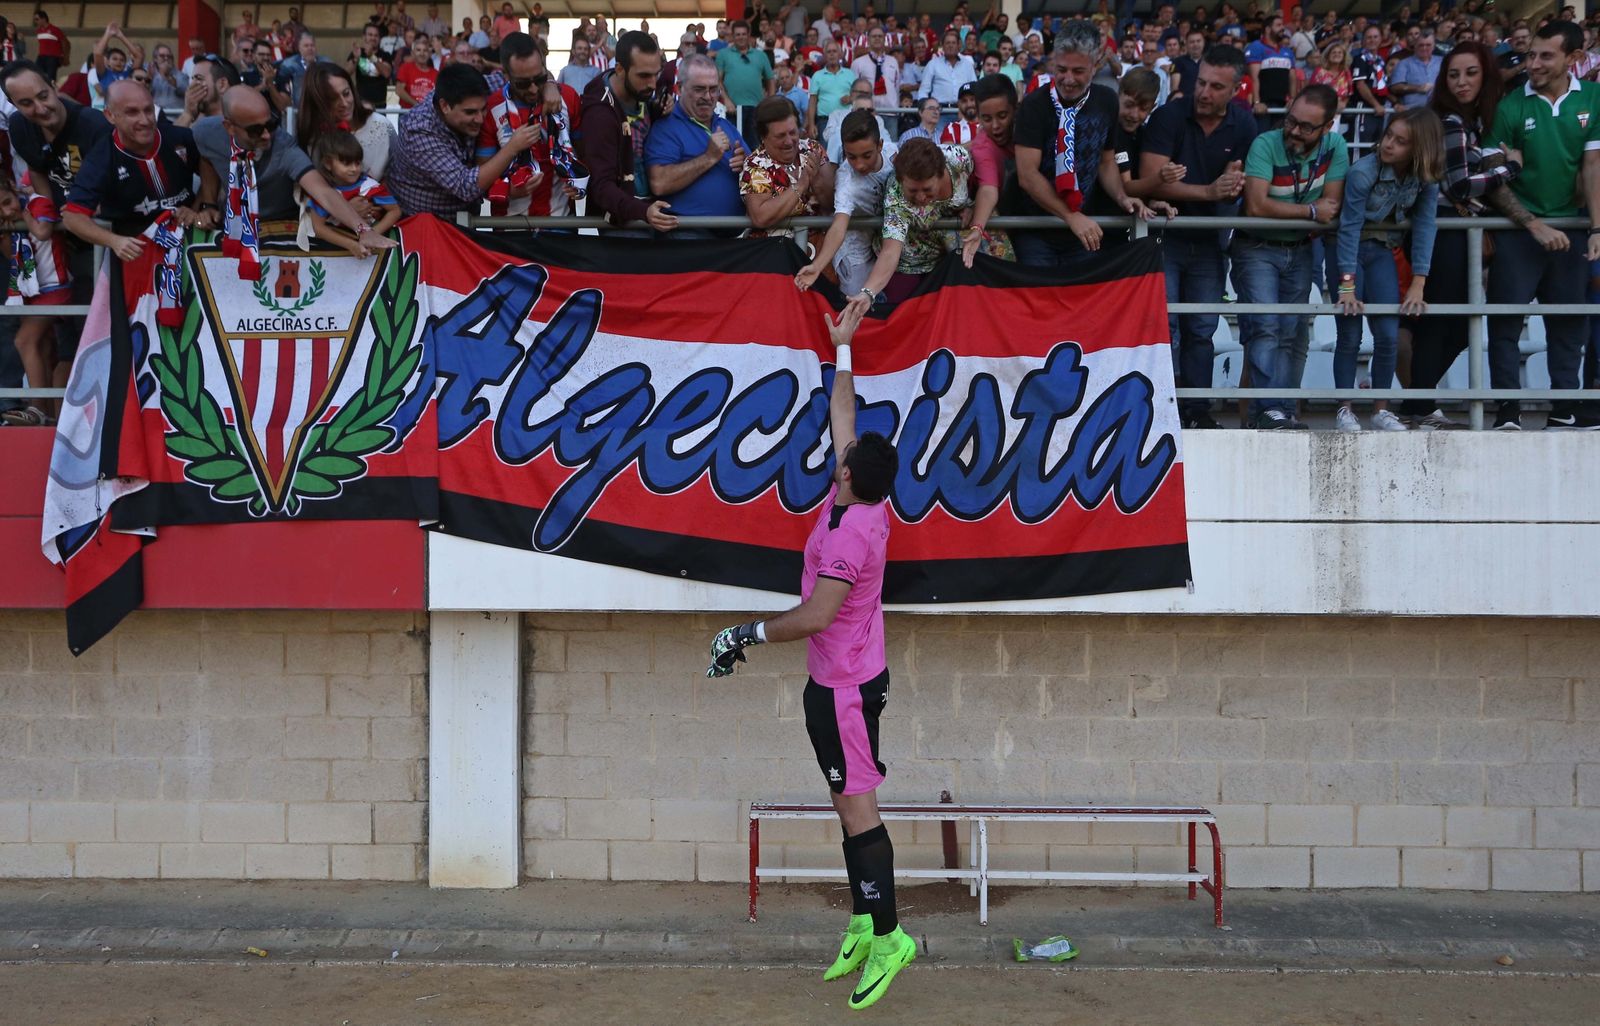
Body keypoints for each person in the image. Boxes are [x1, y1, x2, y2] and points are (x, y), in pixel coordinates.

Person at [705, 300, 914, 1013]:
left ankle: (891, 937)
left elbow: (818, 615)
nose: (839, 450)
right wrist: (845, 349)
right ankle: (863, 918)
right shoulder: (855, 497)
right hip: (833, 682)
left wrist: (747, 635)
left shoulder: (853, 535)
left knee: (860, 811)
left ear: (852, 476)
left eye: (844, 458)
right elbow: (843, 415)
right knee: (842, 800)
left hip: (848, 688)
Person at [1399, 42, 1540, 429]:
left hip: (1451, 232)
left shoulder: (1466, 120)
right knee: (1445, 322)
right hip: (1444, 230)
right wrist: (1509, 168)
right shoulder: (1450, 121)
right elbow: (1461, 186)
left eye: (1471, 73)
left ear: (1486, 76)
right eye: (1454, 74)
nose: (1462, 82)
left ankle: (1417, 401)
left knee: (1456, 323)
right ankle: (1419, 405)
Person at [1483, 21, 1600, 429]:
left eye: (1545, 55)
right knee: (1505, 323)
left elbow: (1593, 166)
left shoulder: (1595, 98)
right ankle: (1507, 411)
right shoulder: (1511, 103)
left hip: (1573, 228)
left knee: (1569, 321)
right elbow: (1493, 177)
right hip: (1519, 231)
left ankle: (1565, 409)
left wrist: (1596, 228)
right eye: (1531, 54)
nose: (1533, 62)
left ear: (1574, 58)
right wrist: (1532, 224)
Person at [1142, 44, 1259, 429]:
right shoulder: (1168, 115)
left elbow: (1234, 183)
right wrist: (1209, 190)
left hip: (1209, 240)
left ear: (1236, 89)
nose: (1204, 92)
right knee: (1167, 327)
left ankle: (1195, 409)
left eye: (1215, 87)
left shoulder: (1243, 124)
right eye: (1201, 82)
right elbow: (1154, 185)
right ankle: (1162, 408)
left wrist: (1210, 189)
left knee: (1202, 328)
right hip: (1166, 236)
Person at [1233, 84, 1348, 429]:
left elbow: (1333, 205)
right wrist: (1309, 211)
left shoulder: (1336, 146)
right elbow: (1256, 206)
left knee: (1292, 330)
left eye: (1306, 127)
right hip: (1256, 246)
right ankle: (1268, 411)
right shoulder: (1265, 143)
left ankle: (1279, 409)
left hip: (1300, 249)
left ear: (1327, 127)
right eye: (1291, 121)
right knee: (1266, 327)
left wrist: (1305, 212)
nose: (1294, 131)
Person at [194, 85, 395, 278]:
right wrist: (209, 202)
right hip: (234, 226)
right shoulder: (205, 132)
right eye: (256, 130)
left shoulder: (283, 146)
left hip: (281, 231)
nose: (266, 135)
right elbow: (205, 156)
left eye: (271, 124)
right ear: (229, 127)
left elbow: (322, 191)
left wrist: (362, 229)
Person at [1333, 107, 1443, 432]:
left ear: (1419, 148)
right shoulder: (1363, 172)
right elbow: (1349, 227)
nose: (1388, 145)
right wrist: (1347, 284)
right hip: (1350, 254)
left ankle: (1381, 410)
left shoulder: (1426, 178)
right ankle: (1344, 409)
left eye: (1401, 141)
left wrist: (1418, 283)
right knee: (1349, 334)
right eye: (1388, 136)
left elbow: (1425, 226)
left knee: (1388, 335)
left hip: (1382, 251)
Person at [1010, 20, 1149, 269]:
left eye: (1078, 71)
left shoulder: (1107, 100)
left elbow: (1106, 161)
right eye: (1061, 69)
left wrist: (1122, 197)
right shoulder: (1033, 105)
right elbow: (1027, 176)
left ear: (1095, 66)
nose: (1068, 79)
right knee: (1040, 304)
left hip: (1083, 231)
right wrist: (1070, 216)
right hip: (1037, 230)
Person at [61, 79, 204, 253]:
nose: (144, 120)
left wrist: (198, 207)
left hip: (189, 242)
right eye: (132, 112)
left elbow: (210, 168)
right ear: (110, 116)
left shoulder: (180, 138)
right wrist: (114, 241)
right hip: (137, 251)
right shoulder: (101, 157)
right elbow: (72, 216)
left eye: (148, 110)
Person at [385, 61, 540, 217]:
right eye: (470, 112)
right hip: (422, 222)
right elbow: (465, 186)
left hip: (466, 216)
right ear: (445, 106)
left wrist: (550, 86)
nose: (480, 119)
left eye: (484, 109)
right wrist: (512, 148)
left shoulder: (476, 89)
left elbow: (526, 75)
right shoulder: (419, 130)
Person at [853, 137, 991, 305]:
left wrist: (972, 207)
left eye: (927, 189)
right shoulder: (895, 195)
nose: (920, 197)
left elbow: (985, 180)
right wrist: (866, 294)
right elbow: (890, 252)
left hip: (947, 255)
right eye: (912, 190)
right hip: (908, 261)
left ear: (940, 175)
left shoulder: (957, 159)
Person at [579, 30, 675, 233]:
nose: (652, 83)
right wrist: (643, 211)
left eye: (656, 73)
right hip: (624, 223)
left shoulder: (644, 95)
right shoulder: (600, 114)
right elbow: (601, 187)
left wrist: (660, 111)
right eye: (644, 75)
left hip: (654, 210)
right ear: (620, 69)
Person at [797, 107, 897, 295]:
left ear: (880, 145)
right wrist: (817, 266)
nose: (859, 164)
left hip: (890, 238)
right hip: (856, 247)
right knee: (856, 300)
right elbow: (838, 227)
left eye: (867, 155)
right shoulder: (845, 180)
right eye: (852, 156)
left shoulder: (894, 154)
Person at [645, 54, 746, 236]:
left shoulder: (725, 125)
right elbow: (659, 183)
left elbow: (757, 169)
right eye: (699, 89)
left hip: (735, 236)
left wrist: (745, 165)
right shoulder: (666, 127)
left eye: (714, 89)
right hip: (689, 237)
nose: (708, 97)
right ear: (680, 88)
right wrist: (709, 157)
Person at [0, 173, 69, 425]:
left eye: (8, 201)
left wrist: (23, 216)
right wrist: (6, 235)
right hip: (37, 294)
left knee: (23, 340)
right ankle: (48, 413)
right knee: (43, 346)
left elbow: (42, 232)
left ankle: (37, 410)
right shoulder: (9, 219)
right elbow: (13, 260)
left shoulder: (37, 203)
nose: (7, 211)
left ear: (12, 188)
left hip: (57, 289)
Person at [740, 95, 830, 241]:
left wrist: (818, 182)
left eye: (793, 132)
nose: (789, 141)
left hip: (819, 248)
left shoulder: (813, 149)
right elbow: (760, 217)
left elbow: (831, 204)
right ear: (763, 136)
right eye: (780, 136)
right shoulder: (755, 165)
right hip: (774, 251)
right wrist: (800, 186)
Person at [307, 130, 402, 256]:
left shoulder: (369, 186)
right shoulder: (322, 191)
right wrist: (351, 244)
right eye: (346, 163)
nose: (354, 169)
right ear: (328, 164)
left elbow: (395, 211)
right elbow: (318, 228)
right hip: (335, 251)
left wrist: (373, 234)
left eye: (357, 163)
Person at [299, 63, 398, 180]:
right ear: (318, 103)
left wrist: (376, 195)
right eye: (333, 99)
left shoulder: (382, 124)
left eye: (346, 93)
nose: (344, 104)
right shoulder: (315, 137)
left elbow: (398, 170)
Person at [715, 20, 773, 148]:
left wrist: (769, 102)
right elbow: (717, 80)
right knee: (734, 147)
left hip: (756, 109)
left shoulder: (761, 55)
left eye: (743, 34)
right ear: (733, 36)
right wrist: (726, 100)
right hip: (733, 110)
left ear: (749, 35)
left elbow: (770, 79)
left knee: (757, 147)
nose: (741, 37)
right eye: (737, 34)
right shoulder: (723, 54)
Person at [1245, 13, 1297, 126]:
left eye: (1282, 25)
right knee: (1263, 139)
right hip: (1263, 106)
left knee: (1280, 140)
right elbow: (1253, 77)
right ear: (1268, 29)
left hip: (1283, 105)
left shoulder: (1288, 51)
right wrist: (1257, 102)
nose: (1282, 28)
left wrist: (1293, 99)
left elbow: (1293, 78)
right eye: (1278, 25)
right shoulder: (1256, 47)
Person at [175, 53, 239, 128]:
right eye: (192, 79)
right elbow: (173, 139)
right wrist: (187, 114)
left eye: (198, 78)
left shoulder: (239, 126)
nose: (191, 85)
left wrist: (187, 114)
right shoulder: (193, 121)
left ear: (222, 85)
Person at [807, 40, 852, 138]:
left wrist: (851, 98)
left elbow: (859, 95)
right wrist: (811, 125)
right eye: (829, 52)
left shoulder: (850, 74)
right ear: (824, 56)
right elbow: (812, 102)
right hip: (824, 122)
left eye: (834, 51)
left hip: (847, 120)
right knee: (826, 153)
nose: (832, 54)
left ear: (840, 54)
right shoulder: (817, 76)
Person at [918, 29, 977, 104]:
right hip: (940, 111)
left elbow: (974, 88)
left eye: (953, 43)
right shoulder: (933, 64)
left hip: (962, 111)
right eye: (947, 43)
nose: (950, 46)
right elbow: (923, 91)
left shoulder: (967, 65)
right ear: (942, 46)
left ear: (958, 45)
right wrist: (925, 109)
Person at [849, 25, 899, 112]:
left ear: (884, 39)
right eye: (874, 36)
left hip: (891, 111)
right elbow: (853, 90)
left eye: (880, 36)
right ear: (868, 40)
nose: (877, 38)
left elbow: (896, 86)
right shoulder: (858, 63)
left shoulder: (893, 61)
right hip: (867, 111)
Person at [1391, 28, 1443, 109]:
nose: (1424, 48)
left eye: (1428, 45)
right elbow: (1395, 87)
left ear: (1434, 46)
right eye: (1421, 45)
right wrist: (1418, 88)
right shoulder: (1404, 63)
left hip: (1438, 110)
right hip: (1412, 111)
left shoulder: (1442, 62)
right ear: (1415, 45)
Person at [348, 23, 394, 109]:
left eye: (376, 35)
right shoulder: (357, 52)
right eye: (370, 35)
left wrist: (371, 56)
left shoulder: (385, 55)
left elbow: (387, 73)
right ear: (364, 37)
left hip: (381, 104)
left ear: (379, 38)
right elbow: (347, 73)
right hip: (362, 103)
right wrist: (355, 58)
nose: (373, 38)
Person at [396, 36, 439, 108]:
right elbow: (399, 90)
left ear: (429, 54)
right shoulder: (406, 67)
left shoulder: (436, 73)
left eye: (425, 50)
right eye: (418, 50)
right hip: (408, 113)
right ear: (413, 53)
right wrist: (418, 105)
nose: (422, 53)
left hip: (429, 114)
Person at [147, 44, 186, 110]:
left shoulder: (181, 76)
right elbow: (144, 94)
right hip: (156, 115)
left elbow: (186, 92)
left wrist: (171, 80)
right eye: (162, 56)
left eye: (169, 56)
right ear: (155, 59)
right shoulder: (151, 75)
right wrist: (149, 79)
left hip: (175, 116)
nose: (166, 58)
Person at [32, 9, 66, 82]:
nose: (35, 21)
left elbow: (64, 42)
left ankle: (52, 91)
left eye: (37, 19)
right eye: (35, 19)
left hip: (52, 57)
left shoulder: (55, 30)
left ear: (43, 19)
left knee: (51, 77)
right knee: (37, 74)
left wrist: (63, 55)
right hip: (41, 56)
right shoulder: (39, 31)